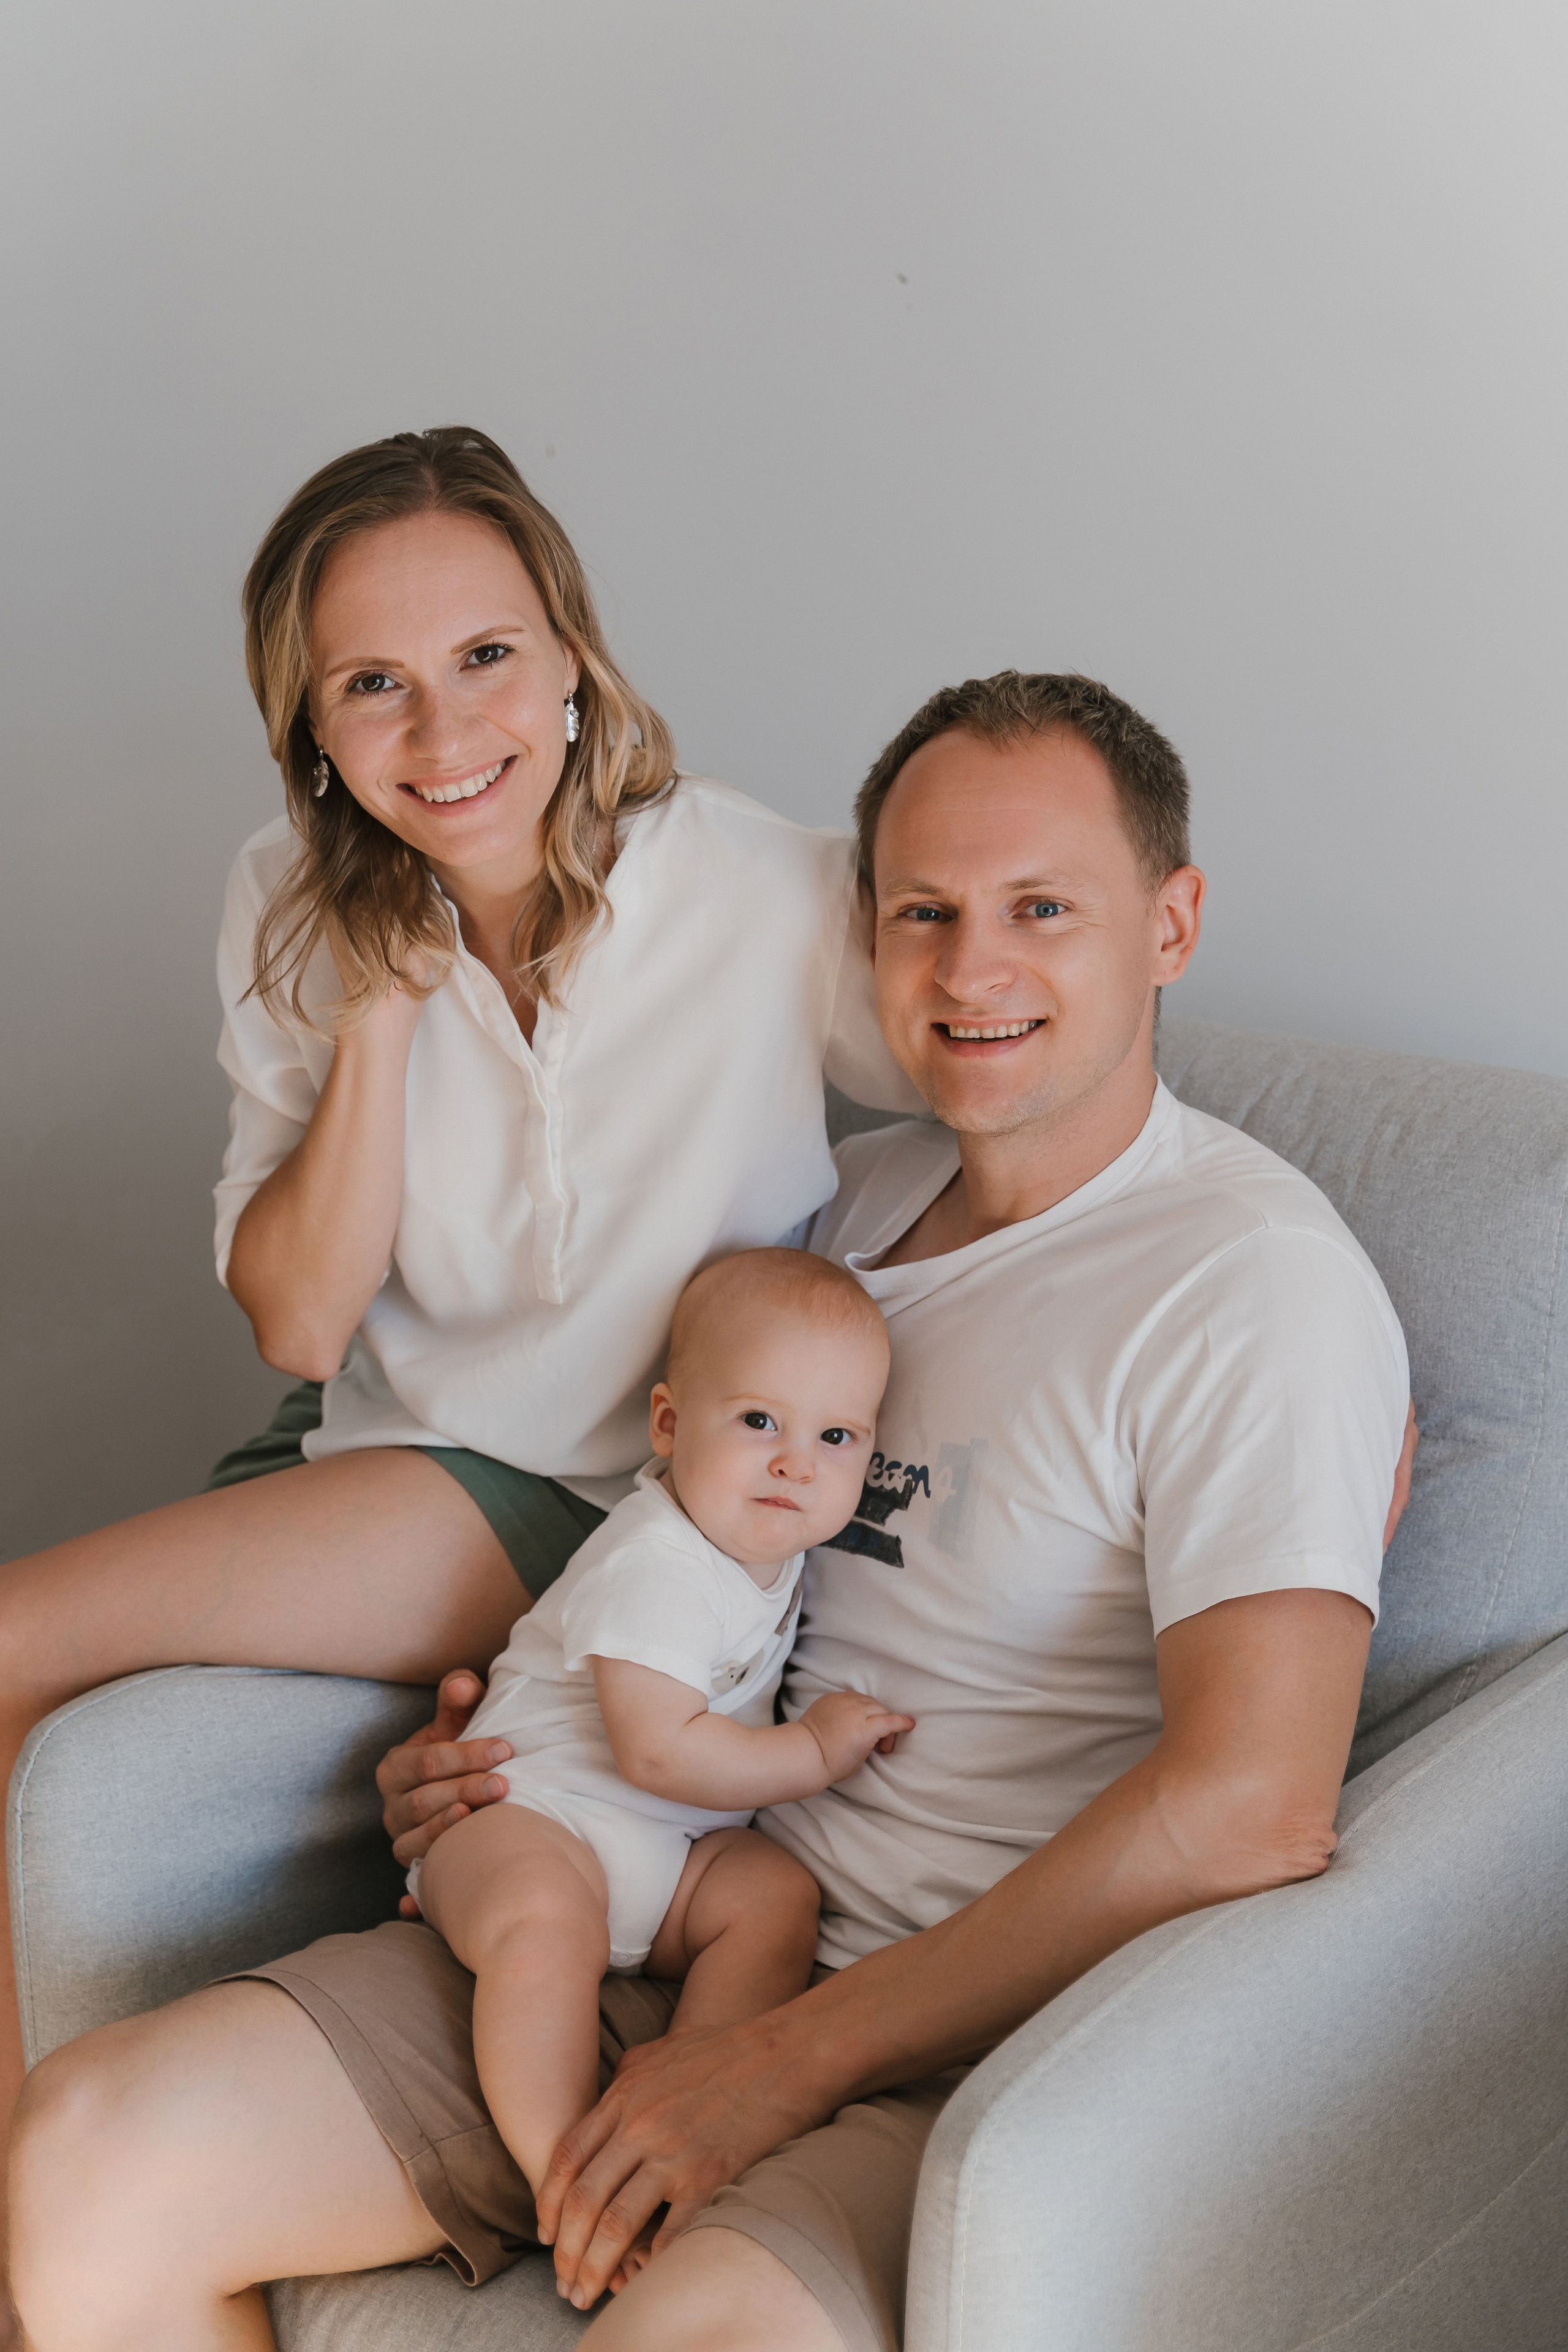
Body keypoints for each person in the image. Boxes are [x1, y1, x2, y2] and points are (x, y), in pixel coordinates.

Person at [8, 671, 1415, 2352]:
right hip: (640, 1902)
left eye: (1044, 909)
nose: (973, 972)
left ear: (1171, 923)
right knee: (85, 2163)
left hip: (938, 2053)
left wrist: (784, 2057)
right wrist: (504, 1742)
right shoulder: (843, 1209)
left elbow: (1257, 1806)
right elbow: (657, 1540)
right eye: (924, 912)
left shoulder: (1252, 1288)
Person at [0, 424, 914, 2187]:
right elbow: (296, 1315)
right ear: (316, 733)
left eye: (486, 656)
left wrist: (1258, 1323)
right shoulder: (284, 901)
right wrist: (385, 1007)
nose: (445, 732)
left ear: (572, 655)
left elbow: (1006, 1043)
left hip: (571, 1479)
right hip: (373, 1422)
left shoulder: (752, 886)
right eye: (373, 686)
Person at [413, 1248, 908, 2248]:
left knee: (771, 1896)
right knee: (546, 1924)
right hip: (528, 1821)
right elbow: (657, 1755)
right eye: (759, 1420)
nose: (795, 1462)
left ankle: (684, 2105)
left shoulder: (767, 1552)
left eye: (838, 1435)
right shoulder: (659, 1561)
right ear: (671, 1424)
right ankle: (572, 2179)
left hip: (668, 1863)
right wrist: (811, 1752)